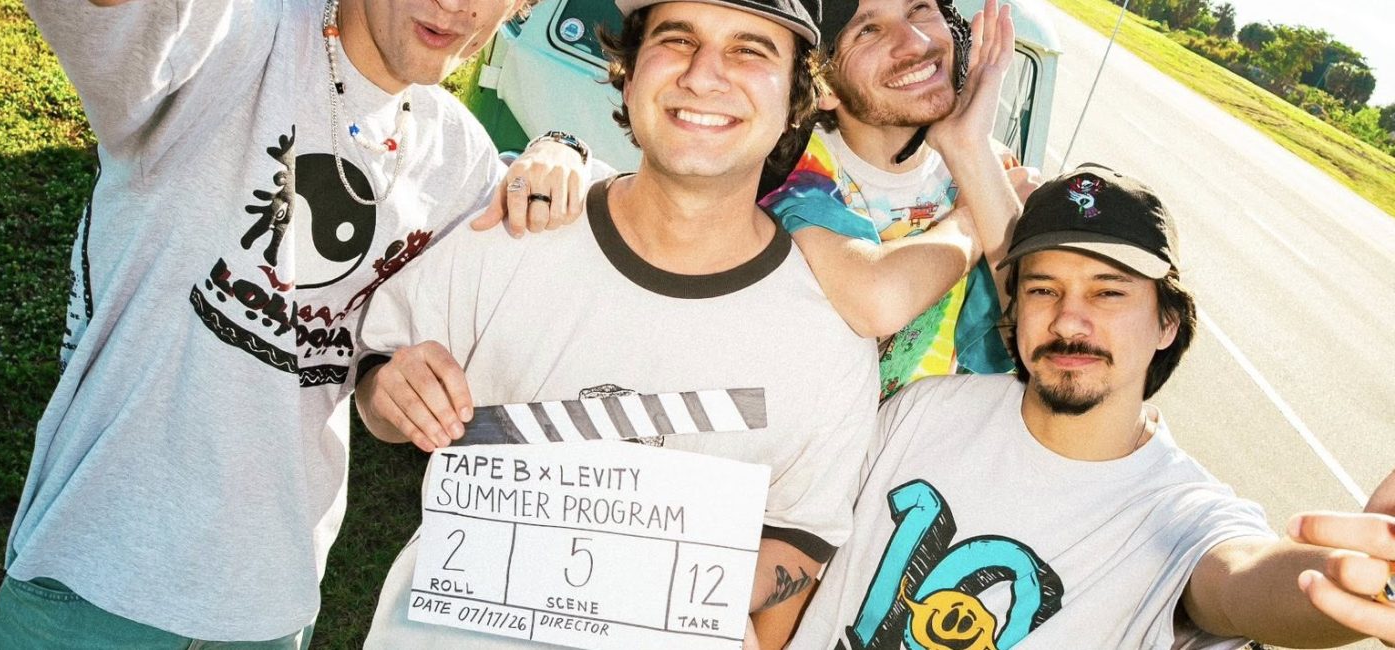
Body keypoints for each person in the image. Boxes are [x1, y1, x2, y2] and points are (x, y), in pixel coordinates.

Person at [0, 0, 587, 646]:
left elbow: (382, 389)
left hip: (271, 608)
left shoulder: (461, 163)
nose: (456, 4)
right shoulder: (229, 34)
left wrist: (563, 149)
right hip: (97, 582)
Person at [352, 0, 882, 647]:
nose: (703, 74)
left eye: (749, 50)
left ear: (797, 101)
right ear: (627, 76)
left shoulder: (828, 345)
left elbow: (801, 538)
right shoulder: (511, 230)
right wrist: (389, 391)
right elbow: (379, 394)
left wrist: (658, 588)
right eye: (677, 39)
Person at [784, 164, 1395, 649]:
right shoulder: (924, 410)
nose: (1069, 320)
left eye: (1108, 293)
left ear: (1167, 323)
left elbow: (1240, 581)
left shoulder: (1179, 513)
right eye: (1043, 289)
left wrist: (1366, 579)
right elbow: (803, 549)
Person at [760, 0, 1030, 402]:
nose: (916, 42)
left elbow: (1035, 328)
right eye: (867, 30)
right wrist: (973, 221)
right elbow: (878, 300)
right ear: (823, 84)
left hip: (927, 433)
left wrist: (970, 149)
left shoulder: (981, 161)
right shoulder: (795, 174)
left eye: (919, 8)